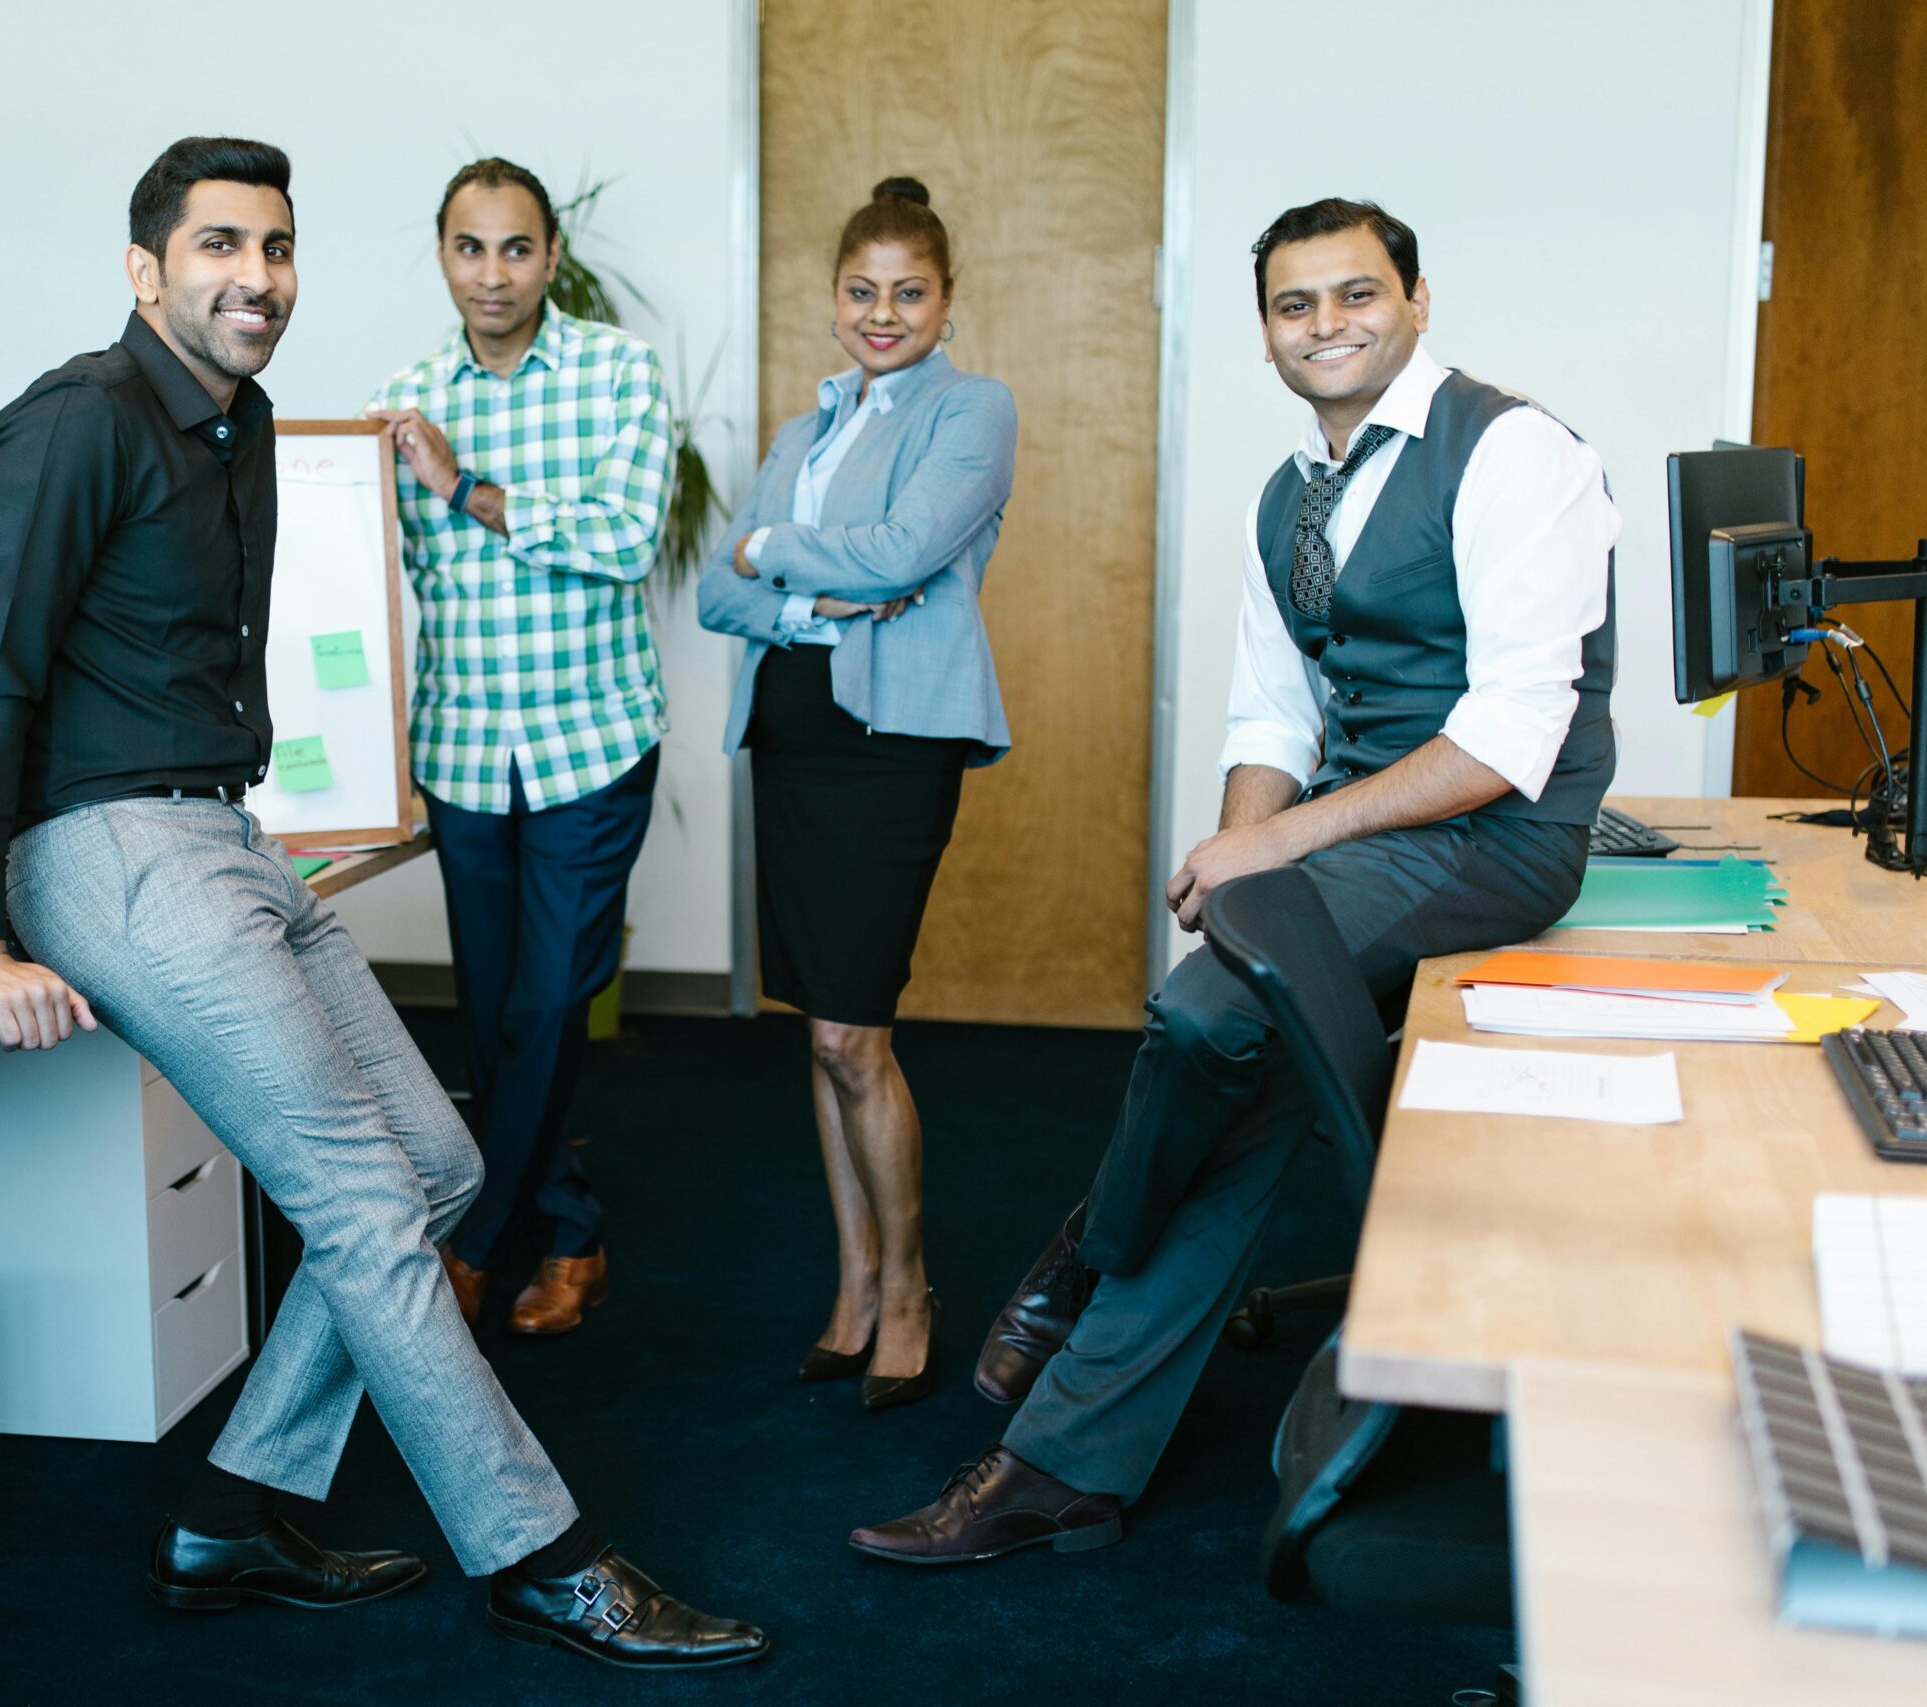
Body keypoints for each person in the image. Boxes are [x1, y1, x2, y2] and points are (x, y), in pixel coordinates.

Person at [0, 135, 765, 1670]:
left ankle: (231, 1513)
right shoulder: (76, 419)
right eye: (220, 245)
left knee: (437, 1167)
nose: (257, 277)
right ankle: (543, 1554)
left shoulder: (237, 425)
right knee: (369, 1201)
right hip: (110, 849)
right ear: (145, 269)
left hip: (222, 832)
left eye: (277, 247)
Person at [852, 197, 1618, 1558]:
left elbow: (1507, 741)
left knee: (1207, 1011)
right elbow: (1272, 716)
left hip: (1496, 840)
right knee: (1245, 1076)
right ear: (1266, 334)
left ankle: (1089, 1248)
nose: (1327, 324)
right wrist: (1235, 862)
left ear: (1418, 301)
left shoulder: (1514, 453)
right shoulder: (1289, 497)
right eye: (1293, 304)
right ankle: (1061, 1467)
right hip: (1364, 835)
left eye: (1357, 294)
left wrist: (1273, 851)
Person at [698, 177, 1017, 1411]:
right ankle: (854, 1282)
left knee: (853, 1032)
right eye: (861, 291)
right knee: (821, 1031)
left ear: (945, 301)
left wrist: (771, 553)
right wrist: (805, 600)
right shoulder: (805, 429)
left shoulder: (970, 410)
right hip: (790, 742)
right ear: (834, 298)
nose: (882, 314)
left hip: (888, 751)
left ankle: (911, 1287)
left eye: (908, 292)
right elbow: (714, 593)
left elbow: (901, 555)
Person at [364, 158, 673, 1339]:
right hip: (462, 750)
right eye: (468, 247)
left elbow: (625, 540)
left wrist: (465, 486)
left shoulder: (617, 373)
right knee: (494, 1010)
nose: (491, 273)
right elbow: (385, 577)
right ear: (443, 255)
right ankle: (573, 1234)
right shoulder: (401, 399)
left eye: (514, 247)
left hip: (590, 741)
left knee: (547, 1003)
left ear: (551, 256)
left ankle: (478, 1242)